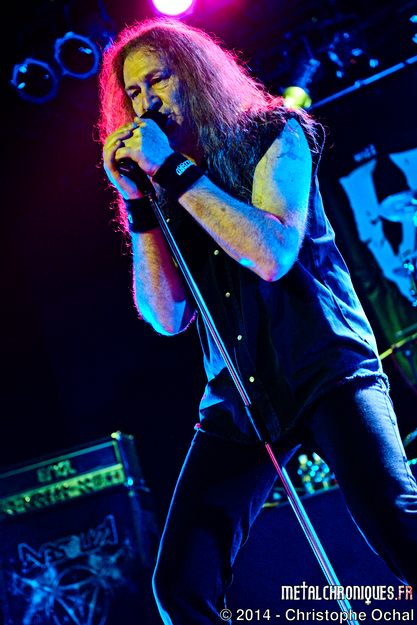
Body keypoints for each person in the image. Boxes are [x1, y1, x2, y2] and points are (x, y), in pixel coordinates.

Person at [99, 17, 417, 624]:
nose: (145, 103)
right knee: (180, 586)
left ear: (195, 77)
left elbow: (271, 255)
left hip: (325, 369)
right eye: (133, 93)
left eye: (157, 81)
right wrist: (137, 203)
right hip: (239, 400)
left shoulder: (277, 133)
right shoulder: (165, 189)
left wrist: (175, 174)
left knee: (399, 528)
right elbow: (165, 316)